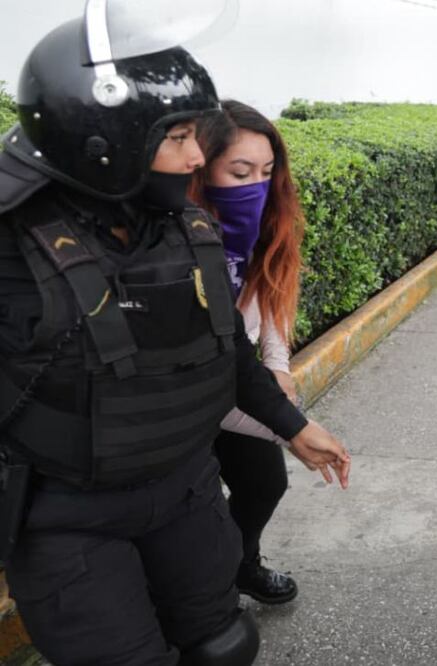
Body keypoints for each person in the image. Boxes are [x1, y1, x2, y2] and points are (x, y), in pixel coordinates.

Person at [0, 13, 351, 665]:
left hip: (184, 492)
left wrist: (292, 426)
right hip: (67, 519)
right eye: (181, 136)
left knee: (225, 644)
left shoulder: (183, 227)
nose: (197, 158)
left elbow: (227, 349)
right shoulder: (11, 245)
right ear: (106, 137)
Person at [191, 100, 307, 606]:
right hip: (189, 396)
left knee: (264, 482)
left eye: (265, 172)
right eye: (240, 172)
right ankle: (205, 592)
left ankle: (242, 564)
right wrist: (289, 427)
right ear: (201, 167)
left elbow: (273, 296)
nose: (255, 186)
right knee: (196, 508)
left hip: (242, 384)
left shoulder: (266, 222)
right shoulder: (174, 237)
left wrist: (277, 366)